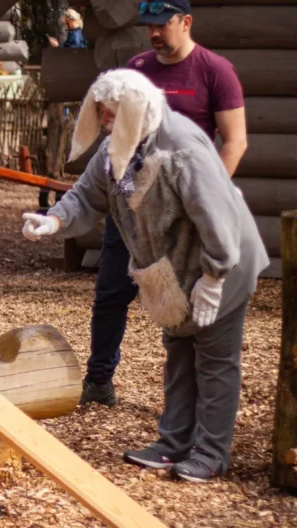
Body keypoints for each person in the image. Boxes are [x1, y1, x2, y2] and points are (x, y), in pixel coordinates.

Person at [21, 70, 268, 483]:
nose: (104, 122)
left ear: (135, 111)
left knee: (214, 360)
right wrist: (56, 220)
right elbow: (87, 195)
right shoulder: (116, 148)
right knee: (179, 352)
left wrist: (214, 276)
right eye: (101, 113)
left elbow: (217, 218)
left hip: (223, 261)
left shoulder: (183, 150)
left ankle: (210, 454)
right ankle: (174, 444)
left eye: (111, 113)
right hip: (173, 269)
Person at [79, 0, 248, 407]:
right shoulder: (136, 70)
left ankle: (191, 399)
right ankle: (99, 380)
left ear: (185, 21)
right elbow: (116, 132)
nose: (154, 33)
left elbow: (235, 141)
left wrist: (206, 196)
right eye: (148, 26)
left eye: (162, 24)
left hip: (184, 214)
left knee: (188, 304)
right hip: (132, 208)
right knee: (111, 293)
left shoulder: (215, 71)